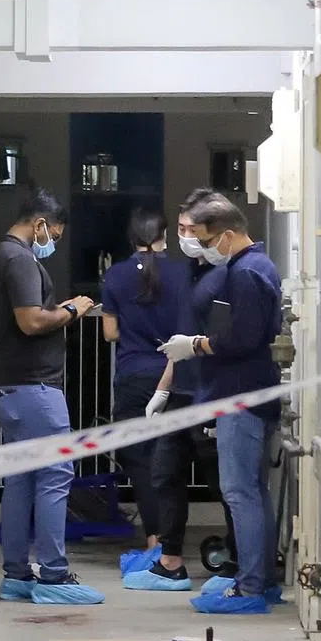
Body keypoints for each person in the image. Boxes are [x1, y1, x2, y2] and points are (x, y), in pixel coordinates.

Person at [159, 191, 283, 615]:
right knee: (252, 491)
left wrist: (197, 344)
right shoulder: (255, 266)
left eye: (206, 239)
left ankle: (249, 588)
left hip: (240, 395)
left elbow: (242, 337)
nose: (202, 247)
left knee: (239, 491)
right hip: (249, 391)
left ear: (227, 234)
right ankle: (261, 581)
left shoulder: (245, 272)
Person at [0, 187, 104, 606]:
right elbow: (31, 321)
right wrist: (71, 310)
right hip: (33, 386)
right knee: (55, 475)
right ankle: (53, 574)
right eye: (54, 233)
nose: (53, 240)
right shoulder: (19, 259)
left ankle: (16, 575)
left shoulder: (3, 255)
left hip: (9, 385)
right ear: (39, 224)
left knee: (21, 478)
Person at [120, 191, 236, 592]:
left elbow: (226, 341)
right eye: (181, 229)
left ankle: (237, 565)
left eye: (192, 229)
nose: (186, 237)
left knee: (224, 484)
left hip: (212, 395)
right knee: (164, 473)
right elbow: (179, 341)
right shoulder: (189, 274)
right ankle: (170, 562)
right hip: (182, 392)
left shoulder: (229, 275)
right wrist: (163, 389)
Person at [99, 209, 185, 556]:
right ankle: (172, 548)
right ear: (165, 236)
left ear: (131, 238)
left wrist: (137, 333)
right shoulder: (183, 273)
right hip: (176, 375)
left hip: (134, 375)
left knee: (141, 463)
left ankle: (154, 541)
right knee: (173, 462)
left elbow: (110, 333)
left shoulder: (116, 275)